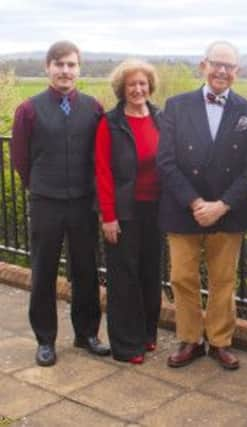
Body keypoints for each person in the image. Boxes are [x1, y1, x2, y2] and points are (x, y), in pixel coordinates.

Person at [157, 41, 247, 370]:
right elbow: (166, 161)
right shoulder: (176, 105)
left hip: (228, 211)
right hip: (184, 207)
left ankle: (219, 341)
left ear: (237, 72)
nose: (222, 71)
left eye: (229, 66)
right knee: (182, 278)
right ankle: (189, 339)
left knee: (223, 280)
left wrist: (222, 205)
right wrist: (196, 202)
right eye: (216, 64)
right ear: (203, 65)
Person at [10, 40, 110, 366]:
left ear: (79, 69)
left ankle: (87, 334)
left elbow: (99, 156)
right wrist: (40, 185)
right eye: (59, 64)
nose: (65, 71)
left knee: (86, 270)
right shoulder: (28, 109)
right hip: (46, 203)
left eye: (71, 65)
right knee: (43, 271)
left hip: (83, 202)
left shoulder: (93, 107)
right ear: (47, 67)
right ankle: (45, 340)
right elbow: (21, 159)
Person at [95, 59, 162, 364]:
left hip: (156, 209)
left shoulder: (161, 117)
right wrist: (108, 216)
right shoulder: (110, 122)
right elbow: (103, 171)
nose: (138, 89)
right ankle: (126, 345)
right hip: (124, 212)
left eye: (142, 83)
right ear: (122, 89)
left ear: (150, 86)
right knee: (124, 278)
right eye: (131, 84)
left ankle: (148, 334)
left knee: (150, 274)